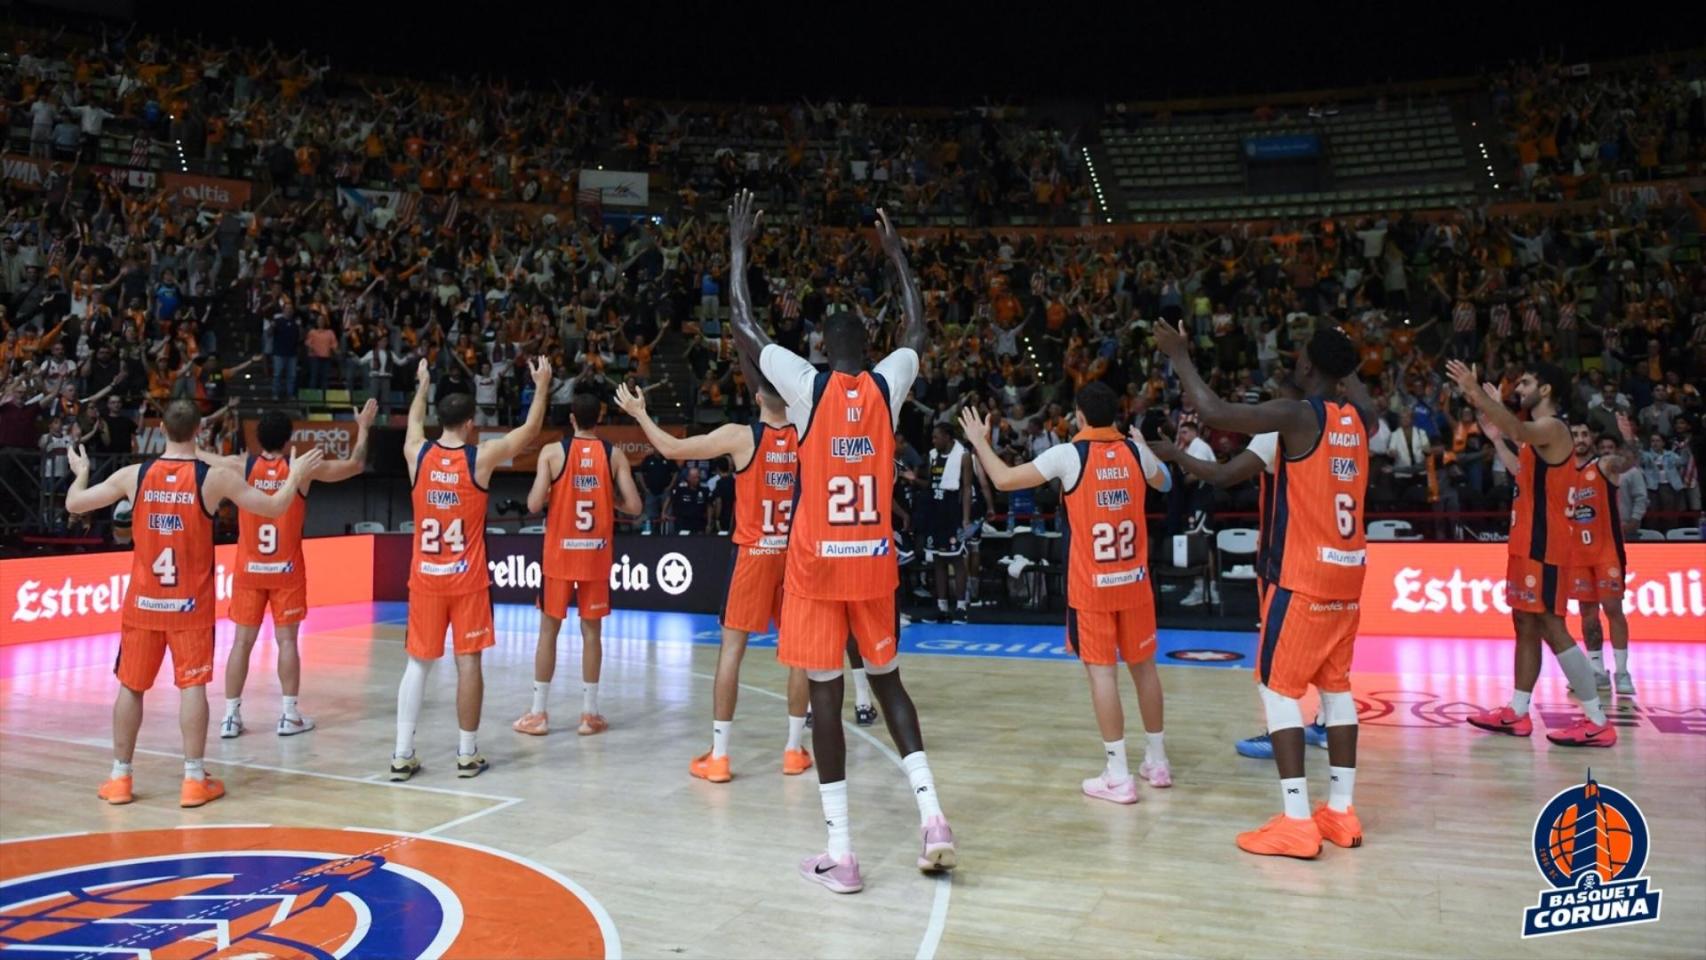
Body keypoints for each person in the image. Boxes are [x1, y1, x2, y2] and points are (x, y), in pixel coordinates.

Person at [732, 192, 954, 894]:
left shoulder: (805, 386)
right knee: (889, 687)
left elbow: (742, 326)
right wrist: (897, 257)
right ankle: (934, 818)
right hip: (874, 567)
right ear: (871, 349)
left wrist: (738, 250)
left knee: (825, 700)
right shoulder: (888, 384)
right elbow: (918, 328)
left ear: (823, 349)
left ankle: (843, 853)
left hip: (815, 569)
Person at [1156, 318, 1373, 859]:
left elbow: (1214, 413)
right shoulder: (1362, 419)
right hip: (1349, 573)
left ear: (1307, 366)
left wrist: (1180, 356)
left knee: (1278, 693)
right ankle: (1341, 813)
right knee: (1337, 691)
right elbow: (1232, 470)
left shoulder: (1296, 417)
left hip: (1301, 577)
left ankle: (1297, 820)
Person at [65, 399, 325, 807]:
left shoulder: (135, 475)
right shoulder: (214, 478)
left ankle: (120, 777)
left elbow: (74, 504)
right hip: (189, 606)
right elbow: (275, 507)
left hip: (143, 605)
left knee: (131, 687)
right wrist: (293, 477)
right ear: (200, 431)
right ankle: (191, 779)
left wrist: (80, 473)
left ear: (162, 430)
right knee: (192, 688)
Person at [960, 381, 1174, 803]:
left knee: (1103, 674)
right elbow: (1164, 482)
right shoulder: (1133, 450)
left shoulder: (1069, 454)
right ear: (1116, 414)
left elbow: (1003, 480)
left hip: (1093, 588)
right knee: (1145, 669)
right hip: (1134, 582)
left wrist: (980, 442)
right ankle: (1158, 761)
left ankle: (1118, 774)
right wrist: (1142, 446)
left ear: (1078, 417)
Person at [616, 365, 813, 781]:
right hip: (794, 554)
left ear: (757, 398)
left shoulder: (740, 437)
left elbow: (671, 449)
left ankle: (720, 757)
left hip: (753, 554)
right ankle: (794, 751)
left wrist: (640, 414)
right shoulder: (806, 435)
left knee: (731, 653)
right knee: (799, 655)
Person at [1150, 374, 1331, 760]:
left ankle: (1277, 734)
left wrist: (1176, 454)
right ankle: (1328, 725)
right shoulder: (1342, 424)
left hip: (1289, 560)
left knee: (1275, 661)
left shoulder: (1279, 429)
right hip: (1335, 555)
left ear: (1283, 400)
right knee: (1328, 656)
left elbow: (1222, 476)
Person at [391, 355, 553, 781]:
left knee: (417, 666)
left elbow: (411, 423)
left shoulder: (416, 453)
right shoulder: (478, 459)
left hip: (425, 579)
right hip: (467, 581)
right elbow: (530, 431)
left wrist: (422, 385)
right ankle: (466, 754)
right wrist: (541, 385)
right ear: (468, 424)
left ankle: (402, 753)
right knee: (468, 664)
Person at [1448, 358, 1616, 749]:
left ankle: (1597, 719)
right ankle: (1517, 712)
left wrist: (1476, 393)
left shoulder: (1553, 428)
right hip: (1527, 543)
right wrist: (1495, 439)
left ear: (1546, 390)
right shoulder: (1535, 439)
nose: (1517, 387)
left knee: (1551, 627)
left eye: (1524, 382)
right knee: (1524, 623)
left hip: (1546, 546)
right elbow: (1520, 470)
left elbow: (1519, 427)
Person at [200, 402, 377, 739]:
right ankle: (289, 714)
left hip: (249, 570)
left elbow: (201, 457)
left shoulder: (240, 465)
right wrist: (364, 427)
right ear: (287, 440)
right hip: (286, 570)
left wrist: (191, 436)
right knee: (286, 641)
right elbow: (355, 465)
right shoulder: (301, 469)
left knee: (241, 643)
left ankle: (230, 717)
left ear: (256, 438)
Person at [512, 391, 642, 738]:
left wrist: (558, 492)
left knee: (548, 633)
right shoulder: (612, 455)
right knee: (592, 634)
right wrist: (604, 497)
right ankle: (589, 714)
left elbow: (535, 504)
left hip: (559, 557)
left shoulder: (553, 452)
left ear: (571, 418)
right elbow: (634, 506)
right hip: (595, 555)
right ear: (598, 418)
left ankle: (538, 713)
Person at [919, 423, 973, 623]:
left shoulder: (963, 455)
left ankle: (960, 607)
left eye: (936, 437)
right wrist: (914, 479)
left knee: (957, 560)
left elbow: (966, 488)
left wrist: (966, 519)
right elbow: (930, 483)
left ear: (948, 437)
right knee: (938, 560)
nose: (934, 441)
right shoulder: (933, 455)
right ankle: (941, 607)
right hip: (935, 511)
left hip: (953, 512)